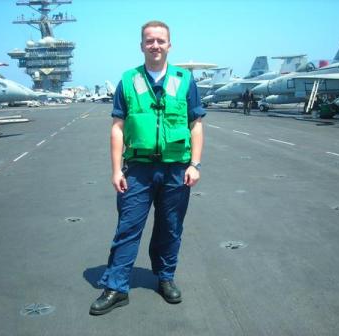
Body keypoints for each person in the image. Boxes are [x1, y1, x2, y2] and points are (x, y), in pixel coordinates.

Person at [90, 20, 205, 316]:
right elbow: (117, 127)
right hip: (138, 168)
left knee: (171, 227)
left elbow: (196, 125)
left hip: (176, 169)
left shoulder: (185, 80)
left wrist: (195, 164)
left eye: (160, 41)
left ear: (169, 45)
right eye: (149, 40)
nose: (155, 45)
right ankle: (116, 286)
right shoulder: (128, 80)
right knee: (128, 228)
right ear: (141, 46)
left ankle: (165, 278)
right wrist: (116, 170)